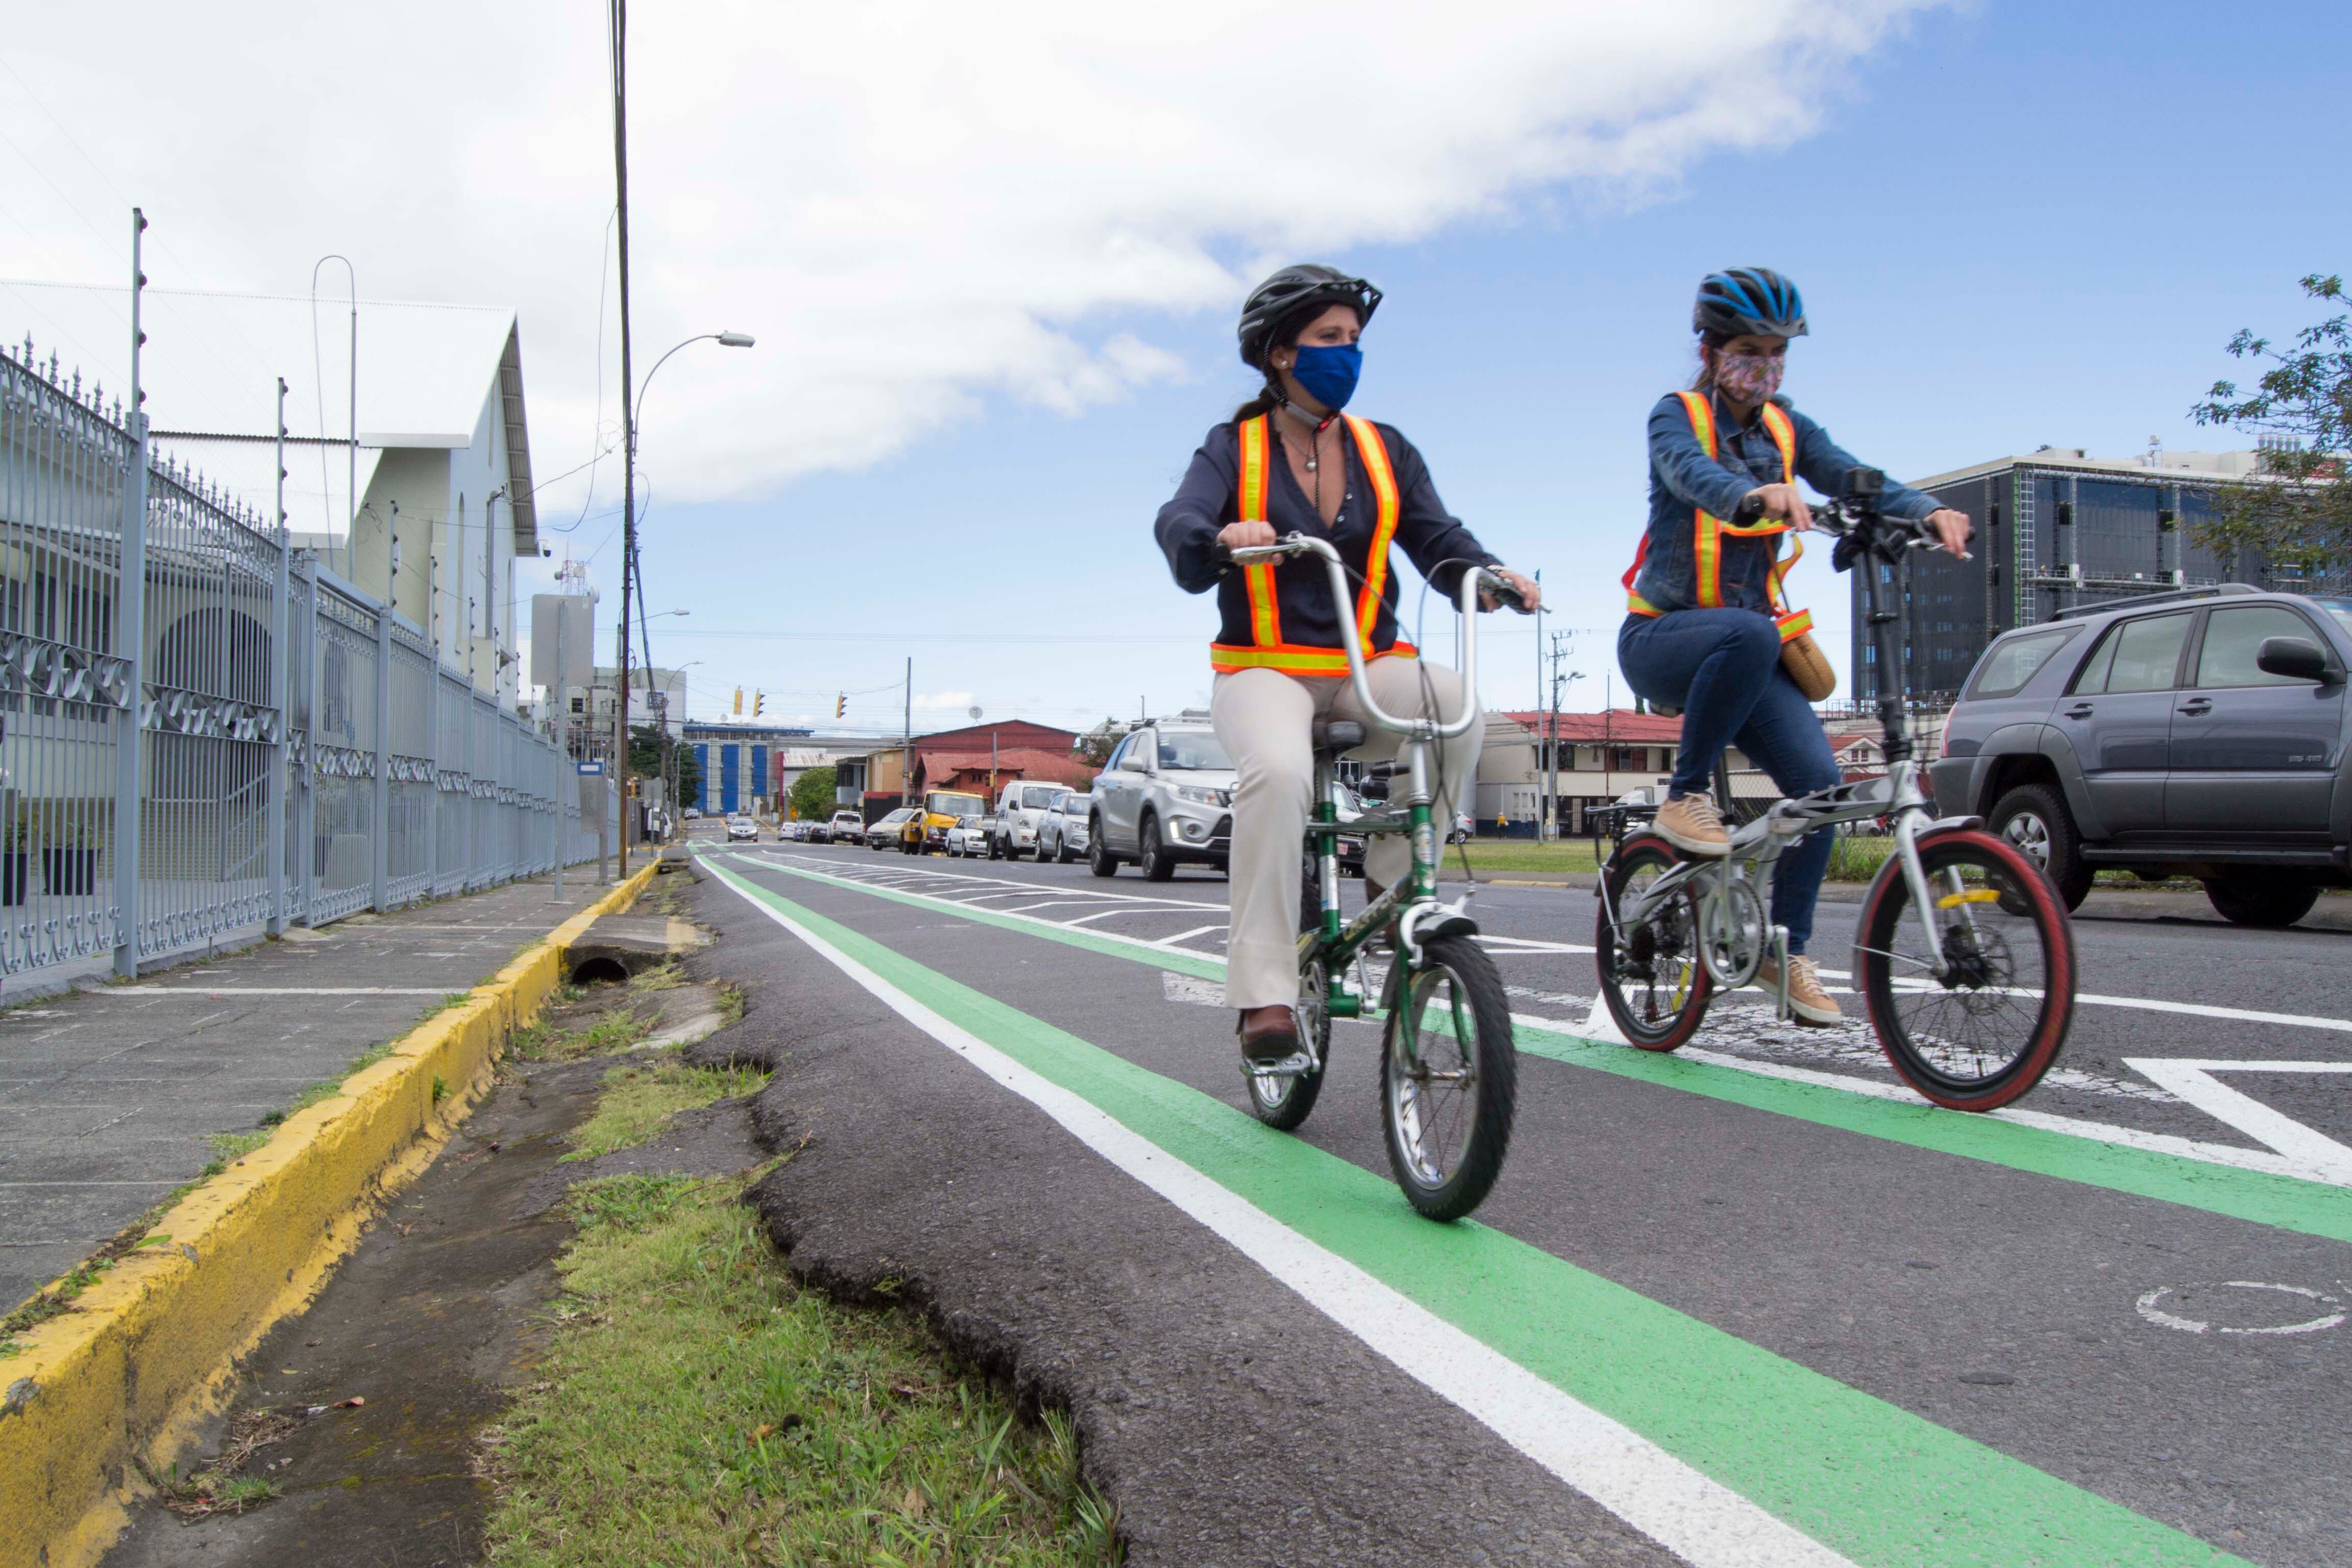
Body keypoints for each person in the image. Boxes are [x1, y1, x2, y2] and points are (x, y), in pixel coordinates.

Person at [1155, 265, 1540, 1062]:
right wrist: (1217, 536)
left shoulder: (1382, 448)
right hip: (1263, 672)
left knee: (1455, 706)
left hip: (1367, 667)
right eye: (1330, 340)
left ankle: (1397, 895)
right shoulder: (1235, 447)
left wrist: (1491, 574)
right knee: (1281, 775)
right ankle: (1263, 993)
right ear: (1281, 355)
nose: (1347, 355)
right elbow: (1182, 518)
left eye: (1355, 341)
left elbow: (1439, 539)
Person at [1618, 267, 1970, 1026]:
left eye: (1778, 353)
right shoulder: (1674, 416)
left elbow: (1852, 475)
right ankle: (1683, 799)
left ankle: (1786, 949)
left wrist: (1928, 510)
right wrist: (1756, 495)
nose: (1765, 368)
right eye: (1750, 350)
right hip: (1663, 640)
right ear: (1711, 349)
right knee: (1748, 630)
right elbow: (1693, 475)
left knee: (1823, 795)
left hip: (1746, 655)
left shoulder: (1788, 427)